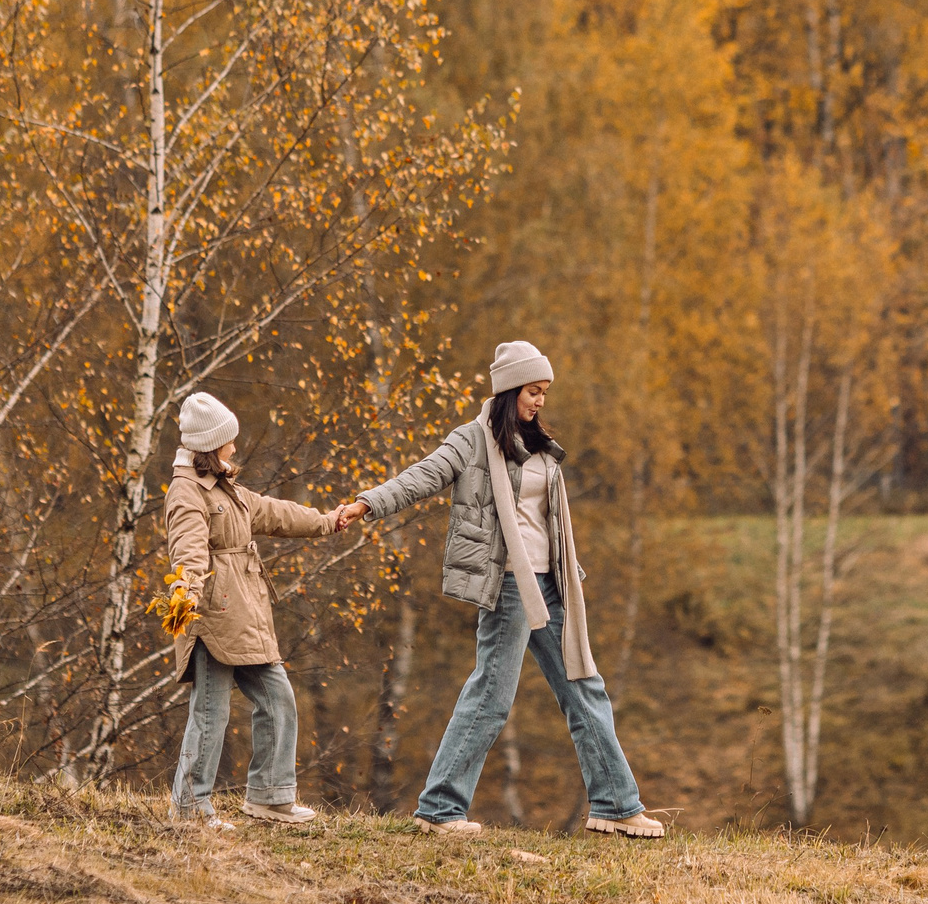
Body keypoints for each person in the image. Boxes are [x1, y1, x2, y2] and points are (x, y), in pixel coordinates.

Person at [339, 341, 663, 839]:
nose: (540, 401)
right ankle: (441, 810)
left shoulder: (539, 446)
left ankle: (616, 805)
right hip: (511, 586)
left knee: (584, 686)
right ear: (510, 389)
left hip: (552, 583)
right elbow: (422, 477)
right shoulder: (471, 442)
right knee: (491, 694)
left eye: (545, 392)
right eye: (534, 391)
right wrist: (367, 504)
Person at [163, 391, 359, 830]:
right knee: (210, 714)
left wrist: (328, 520)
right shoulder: (187, 492)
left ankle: (270, 797)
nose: (235, 446)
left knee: (278, 700)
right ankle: (190, 808)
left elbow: (277, 513)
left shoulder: (226, 488)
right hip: (212, 619)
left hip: (245, 618)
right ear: (211, 445)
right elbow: (188, 549)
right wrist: (187, 591)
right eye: (228, 440)